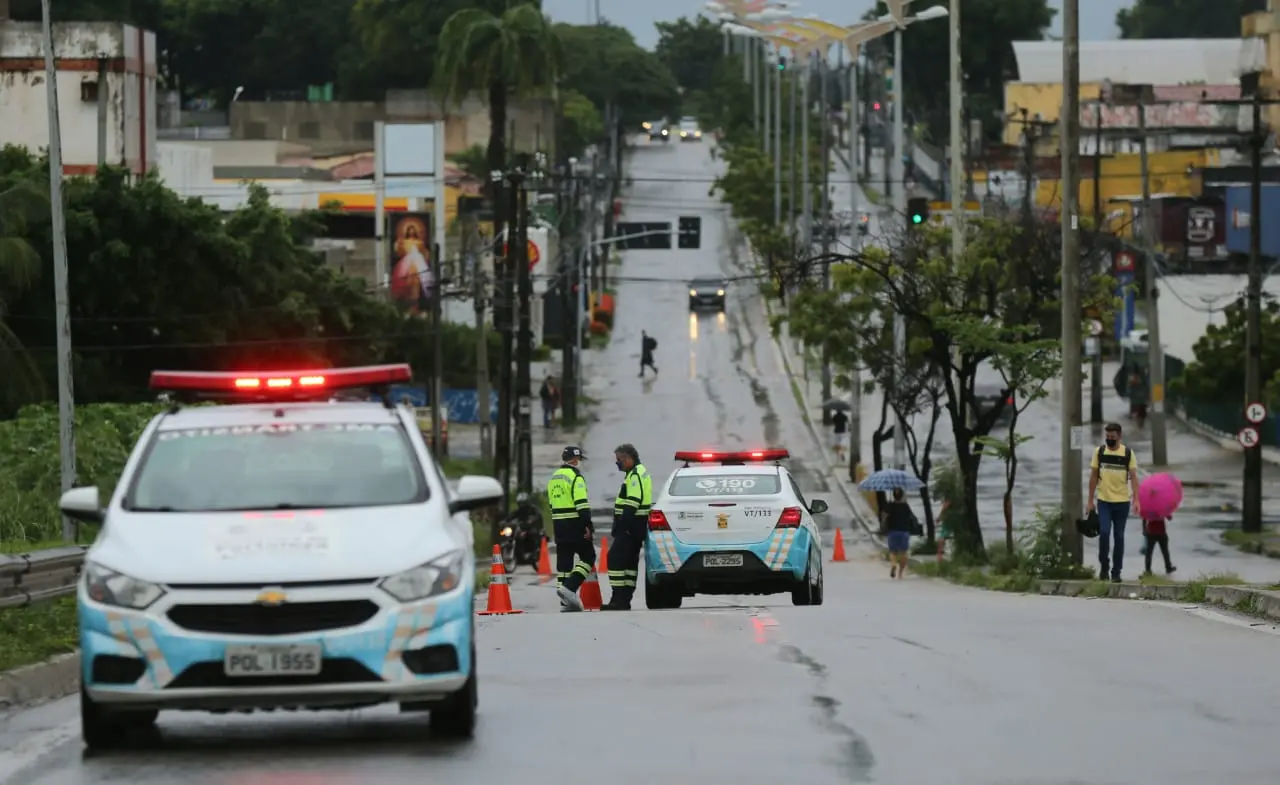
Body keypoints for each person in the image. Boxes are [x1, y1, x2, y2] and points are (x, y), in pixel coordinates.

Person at [1086, 422, 1141, 582]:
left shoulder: (1128, 454)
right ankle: (1104, 565)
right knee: (1103, 533)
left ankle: (1116, 571)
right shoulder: (1100, 452)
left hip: (1122, 502)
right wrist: (1090, 501)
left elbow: (1134, 478)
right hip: (1104, 501)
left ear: (1119, 437)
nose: (1110, 440)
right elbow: (1094, 476)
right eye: (1107, 437)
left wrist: (1136, 499)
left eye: (1112, 437)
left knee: (1119, 536)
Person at [546, 446, 596, 612]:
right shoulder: (576, 477)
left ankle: (566, 603)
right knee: (588, 557)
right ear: (575, 460)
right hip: (575, 524)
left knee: (564, 564)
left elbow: (551, 504)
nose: (580, 462)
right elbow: (581, 504)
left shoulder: (554, 478)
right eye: (579, 459)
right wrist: (588, 526)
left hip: (559, 525)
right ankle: (570, 587)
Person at [604, 443, 652, 610]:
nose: (618, 463)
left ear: (629, 459)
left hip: (631, 525)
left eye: (619, 460)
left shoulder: (635, 475)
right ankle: (624, 599)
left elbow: (632, 503)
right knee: (630, 564)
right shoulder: (638, 473)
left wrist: (622, 525)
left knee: (614, 560)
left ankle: (618, 598)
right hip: (636, 525)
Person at [882, 488, 916, 579]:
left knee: (893, 551)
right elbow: (910, 517)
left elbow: (884, 517)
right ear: (902, 495)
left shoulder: (890, 505)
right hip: (904, 531)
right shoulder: (905, 506)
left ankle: (893, 564)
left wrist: (884, 523)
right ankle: (900, 573)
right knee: (904, 552)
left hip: (893, 531)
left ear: (893, 495)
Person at [935, 498, 956, 563]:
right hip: (945, 529)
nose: (944, 504)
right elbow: (938, 520)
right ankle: (940, 556)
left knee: (941, 540)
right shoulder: (944, 512)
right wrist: (942, 510)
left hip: (949, 529)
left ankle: (940, 556)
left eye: (946, 503)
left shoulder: (952, 512)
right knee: (941, 540)